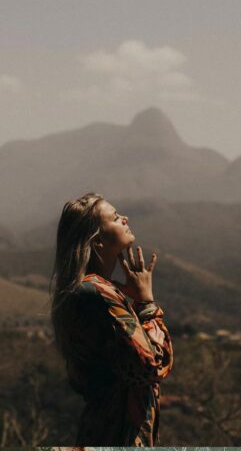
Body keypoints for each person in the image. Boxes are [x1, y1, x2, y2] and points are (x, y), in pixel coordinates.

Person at [50, 192, 174, 447]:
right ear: (97, 242)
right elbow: (152, 366)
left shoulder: (95, 292)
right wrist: (147, 304)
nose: (125, 218)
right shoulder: (96, 294)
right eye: (116, 218)